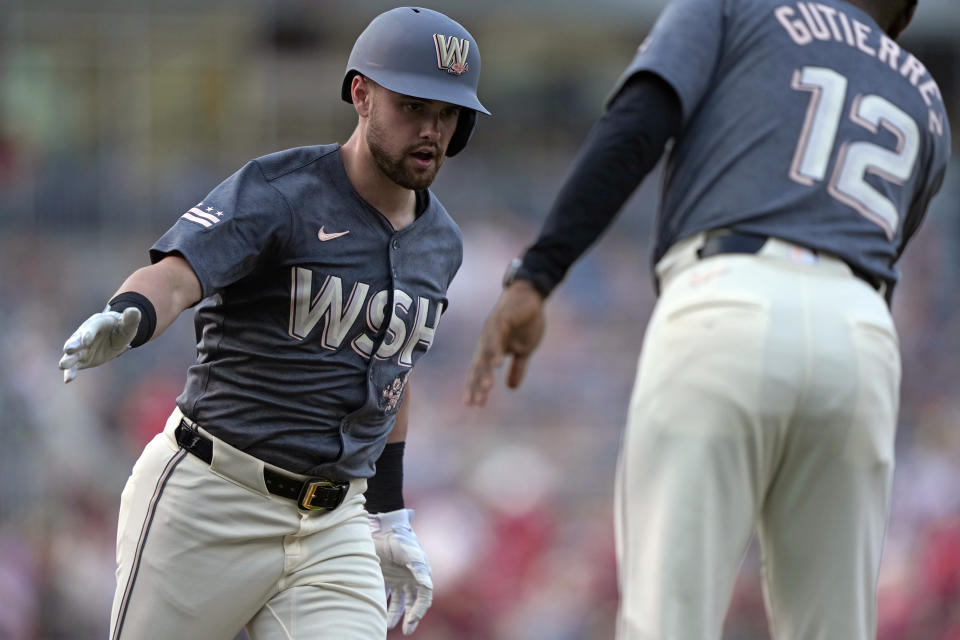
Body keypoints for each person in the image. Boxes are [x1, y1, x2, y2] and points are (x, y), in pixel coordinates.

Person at [465, 0, 950, 637]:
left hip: (730, 297)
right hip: (860, 333)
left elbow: (637, 123)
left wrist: (538, 273)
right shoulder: (927, 96)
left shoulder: (740, 4)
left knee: (670, 618)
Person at [58, 7, 489, 639]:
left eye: (447, 113)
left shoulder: (442, 243)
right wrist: (130, 313)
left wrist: (390, 513)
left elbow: (393, 373)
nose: (431, 129)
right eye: (413, 106)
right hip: (211, 497)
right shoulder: (283, 190)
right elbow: (177, 275)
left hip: (332, 528)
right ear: (362, 95)